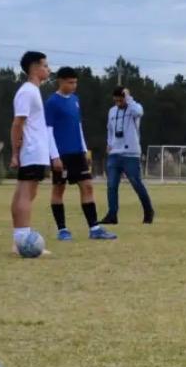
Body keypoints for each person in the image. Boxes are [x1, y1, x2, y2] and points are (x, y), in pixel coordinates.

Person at [45, 67, 116, 241]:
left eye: (76, 82)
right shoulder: (52, 102)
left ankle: (95, 228)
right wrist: (55, 156)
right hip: (61, 154)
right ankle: (62, 229)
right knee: (59, 189)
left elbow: (78, 127)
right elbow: (47, 130)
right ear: (60, 81)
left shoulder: (75, 100)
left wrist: (84, 150)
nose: (74, 85)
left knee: (87, 186)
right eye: (70, 82)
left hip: (77, 153)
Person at [10, 51, 61, 251]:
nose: (48, 69)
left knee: (26, 192)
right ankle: (22, 239)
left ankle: (18, 240)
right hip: (31, 150)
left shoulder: (34, 91)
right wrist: (15, 152)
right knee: (26, 192)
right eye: (45, 65)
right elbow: (17, 123)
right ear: (34, 67)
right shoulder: (27, 91)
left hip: (35, 150)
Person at [103, 86, 155, 225]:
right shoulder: (112, 111)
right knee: (111, 185)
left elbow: (139, 112)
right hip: (115, 153)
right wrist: (109, 143)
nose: (119, 103)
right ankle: (112, 215)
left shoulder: (134, 108)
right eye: (116, 101)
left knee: (136, 183)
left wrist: (129, 98)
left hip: (131, 153)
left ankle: (148, 211)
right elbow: (109, 129)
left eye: (121, 100)